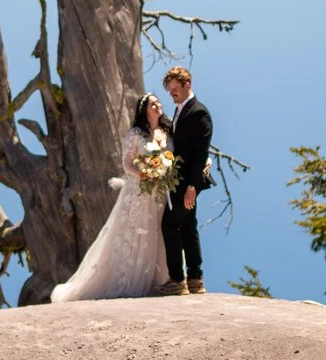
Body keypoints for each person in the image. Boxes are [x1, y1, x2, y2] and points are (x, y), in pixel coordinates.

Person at [50, 94, 174, 302]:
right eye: (153, 103)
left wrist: (163, 172)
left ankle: (162, 280)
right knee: (134, 231)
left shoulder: (168, 133)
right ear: (144, 109)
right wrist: (147, 173)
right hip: (139, 189)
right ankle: (126, 279)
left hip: (161, 192)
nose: (158, 105)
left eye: (159, 102)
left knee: (160, 230)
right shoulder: (135, 134)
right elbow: (127, 164)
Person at [160, 65, 212, 296]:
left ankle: (177, 280)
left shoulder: (199, 112)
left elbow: (201, 153)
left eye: (174, 89)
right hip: (180, 180)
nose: (171, 93)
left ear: (187, 85)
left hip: (189, 182)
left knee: (169, 224)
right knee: (189, 227)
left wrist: (192, 187)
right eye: (169, 90)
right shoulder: (179, 111)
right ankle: (195, 280)